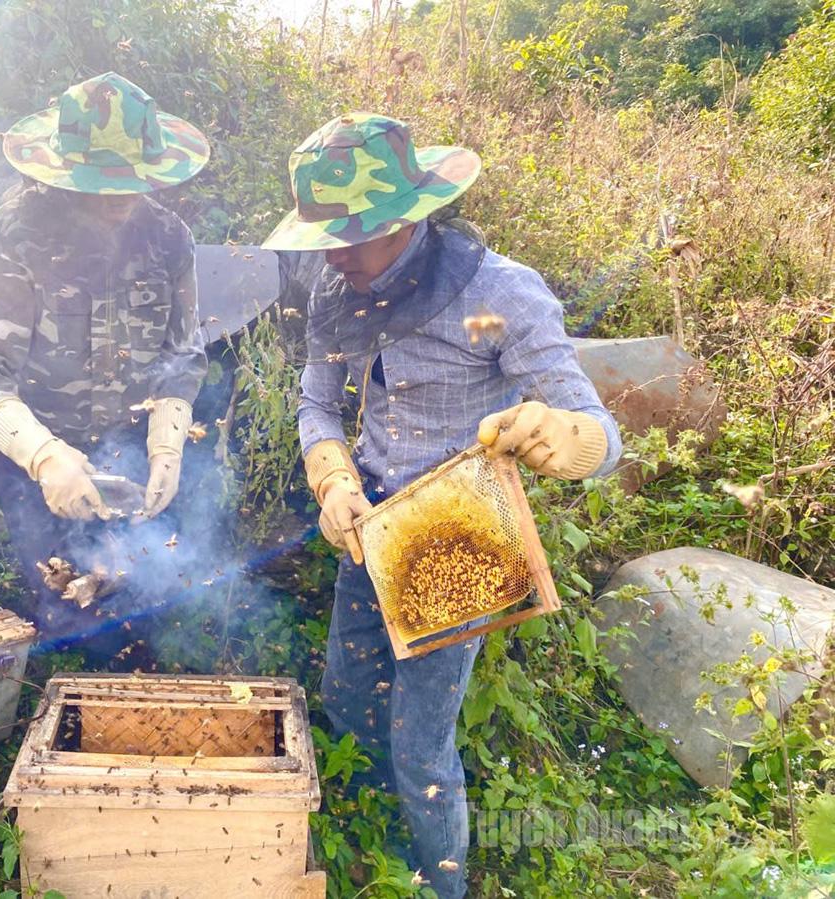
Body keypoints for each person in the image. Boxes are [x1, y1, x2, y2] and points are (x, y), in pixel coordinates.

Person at [263, 113, 622, 897]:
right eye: (327, 234)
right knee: (345, 694)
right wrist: (333, 480)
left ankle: (439, 884)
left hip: (460, 535)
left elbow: (599, 429)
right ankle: (371, 845)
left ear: (411, 215)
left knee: (421, 748)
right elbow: (315, 401)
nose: (337, 253)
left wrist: (566, 437)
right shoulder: (335, 285)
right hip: (374, 525)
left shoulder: (498, 293)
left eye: (356, 235)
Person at [0, 72, 209, 655]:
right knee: (65, 605)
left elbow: (183, 351)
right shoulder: (14, 237)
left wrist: (166, 445)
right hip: (43, 457)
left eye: (132, 181)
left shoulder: (169, 239)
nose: (119, 196)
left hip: (132, 449)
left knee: (143, 597)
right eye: (102, 183)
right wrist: (44, 458)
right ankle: (66, 724)